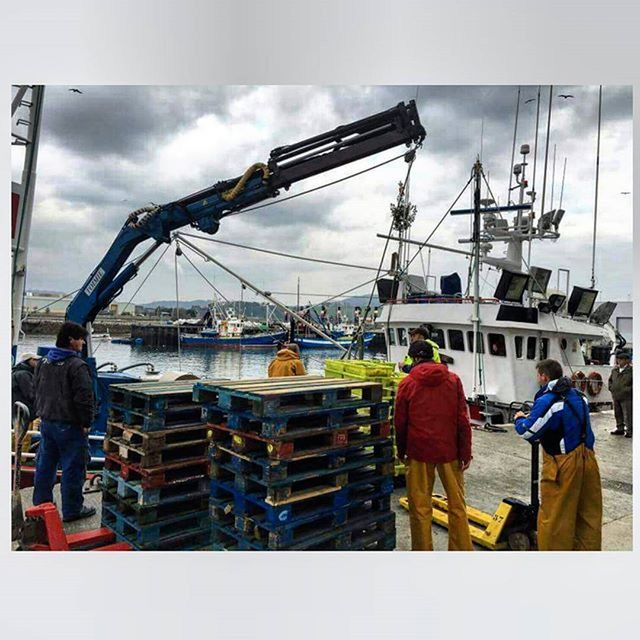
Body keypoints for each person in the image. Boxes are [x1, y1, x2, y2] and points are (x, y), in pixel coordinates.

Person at [514, 359, 602, 550]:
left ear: (544, 376)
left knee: (555, 518)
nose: (537, 379)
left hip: (564, 463)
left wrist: (519, 420)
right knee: (587, 515)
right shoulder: (580, 397)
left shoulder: (549, 400)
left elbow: (528, 432)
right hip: (589, 459)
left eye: (538, 375)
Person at [394, 340, 473, 551]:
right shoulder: (453, 380)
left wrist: (401, 451)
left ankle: (423, 555)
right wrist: (466, 452)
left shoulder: (407, 384)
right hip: (450, 451)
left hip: (419, 451)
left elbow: (400, 422)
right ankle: (461, 552)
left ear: (415, 358)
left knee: (420, 507)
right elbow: (463, 419)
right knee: (457, 506)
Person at [33, 321, 96, 522]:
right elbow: (84, 397)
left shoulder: (43, 362)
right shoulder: (77, 366)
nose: (83, 344)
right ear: (71, 340)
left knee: (45, 465)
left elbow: (37, 389)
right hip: (69, 426)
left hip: (47, 423)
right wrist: (86, 423)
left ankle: (41, 507)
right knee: (73, 468)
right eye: (80, 339)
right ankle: (72, 510)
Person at [608, 352, 632, 438]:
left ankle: (630, 431)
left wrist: (628, 390)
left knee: (628, 414)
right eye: (618, 359)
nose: (619, 361)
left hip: (627, 397)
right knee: (617, 413)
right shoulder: (614, 370)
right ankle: (620, 429)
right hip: (616, 395)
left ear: (627, 360)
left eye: (621, 359)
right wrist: (611, 388)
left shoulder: (631, 371)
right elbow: (610, 380)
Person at [12, 352, 41, 420]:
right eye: (35, 360)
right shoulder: (23, 374)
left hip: (18, 408)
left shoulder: (19, 372)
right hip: (23, 410)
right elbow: (30, 394)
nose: (38, 361)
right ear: (29, 360)